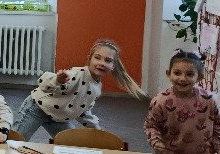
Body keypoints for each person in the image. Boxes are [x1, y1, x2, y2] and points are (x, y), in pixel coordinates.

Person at [14, 38, 147, 140]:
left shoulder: (97, 87)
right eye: (97, 58)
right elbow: (43, 83)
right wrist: (58, 80)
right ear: (89, 59)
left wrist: (96, 129)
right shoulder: (76, 74)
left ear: (113, 66)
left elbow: (83, 110)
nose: (102, 63)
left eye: (108, 60)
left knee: (72, 145)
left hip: (59, 118)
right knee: (16, 140)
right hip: (36, 109)